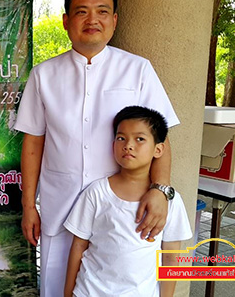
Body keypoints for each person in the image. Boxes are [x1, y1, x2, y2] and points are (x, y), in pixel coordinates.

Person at [14, 0, 180, 296]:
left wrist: (160, 191)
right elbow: (33, 143)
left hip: (120, 211)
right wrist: (28, 206)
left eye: (102, 11)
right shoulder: (43, 75)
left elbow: (162, 139)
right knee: (55, 285)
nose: (93, 20)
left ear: (114, 20)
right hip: (59, 205)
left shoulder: (138, 70)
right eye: (82, 11)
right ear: (66, 21)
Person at [64, 106, 192, 297]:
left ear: (158, 149)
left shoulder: (170, 202)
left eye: (140, 139)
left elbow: (171, 256)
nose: (128, 145)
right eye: (121, 138)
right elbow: (78, 247)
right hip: (89, 292)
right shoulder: (97, 193)